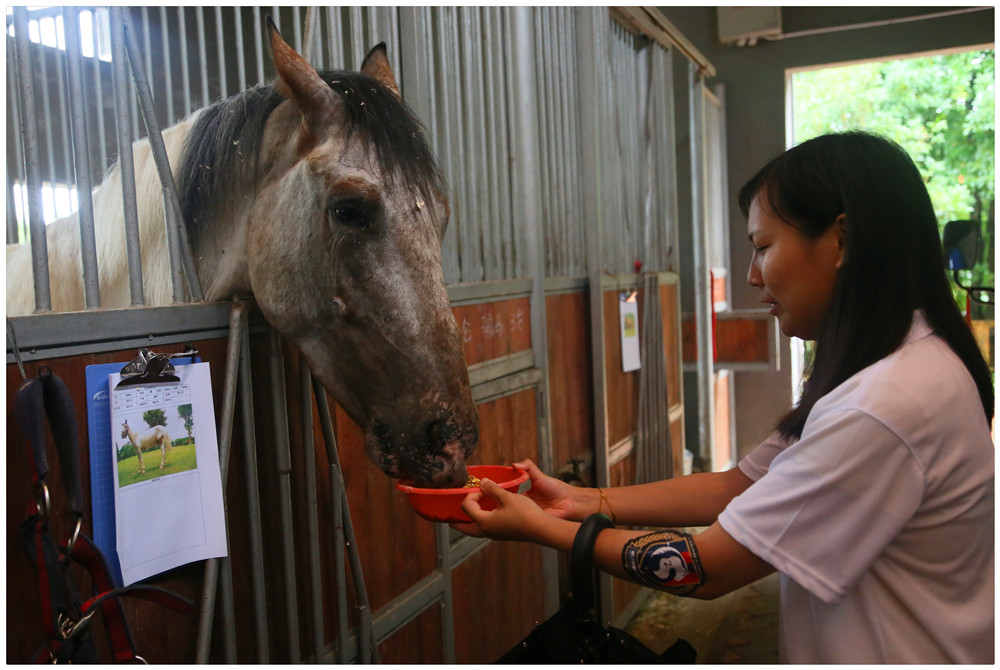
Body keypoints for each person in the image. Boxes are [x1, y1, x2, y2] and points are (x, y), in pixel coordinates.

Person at [453, 131, 994, 664]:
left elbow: (705, 567)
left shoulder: (882, 404)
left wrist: (539, 528)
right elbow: (738, 485)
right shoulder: (902, 360)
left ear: (842, 241)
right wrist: (581, 500)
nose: (753, 276)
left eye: (763, 247)